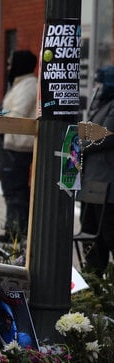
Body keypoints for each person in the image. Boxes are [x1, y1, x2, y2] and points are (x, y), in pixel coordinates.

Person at [0, 50, 38, 243]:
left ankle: (16, 229)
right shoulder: (20, 84)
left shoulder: (29, 85)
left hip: (17, 146)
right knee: (12, 189)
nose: (9, 67)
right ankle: (15, 227)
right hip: (10, 142)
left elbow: (17, 114)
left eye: (11, 63)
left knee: (16, 190)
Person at [79, 65, 114, 273]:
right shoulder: (102, 105)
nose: (96, 88)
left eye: (100, 83)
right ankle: (93, 285)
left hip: (107, 184)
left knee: (109, 233)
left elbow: (105, 134)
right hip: (92, 183)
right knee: (89, 235)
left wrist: (81, 143)